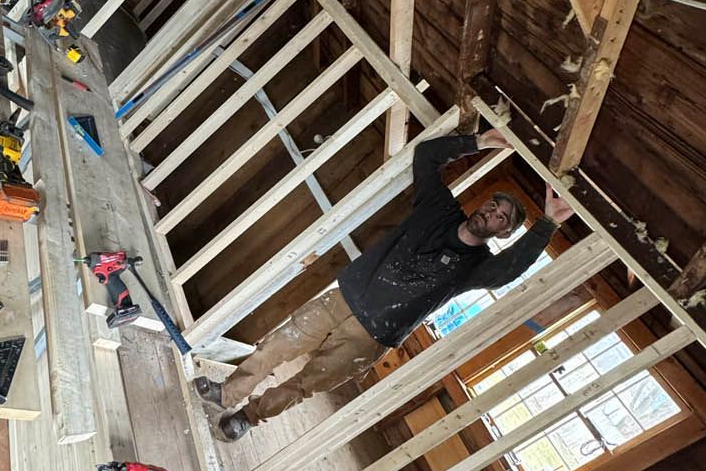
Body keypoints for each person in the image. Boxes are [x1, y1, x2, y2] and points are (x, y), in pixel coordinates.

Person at [198, 128, 574, 440]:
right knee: (276, 346)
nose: (492, 213)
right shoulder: (438, 209)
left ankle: (248, 416)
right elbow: (426, 156)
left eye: (501, 218)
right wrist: (480, 141)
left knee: (304, 384)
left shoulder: (475, 268)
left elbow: (510, 269)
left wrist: (548, 224)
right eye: (493, 205)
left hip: (373, 337)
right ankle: (226, 392)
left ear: (504, 233)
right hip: (343, 298)